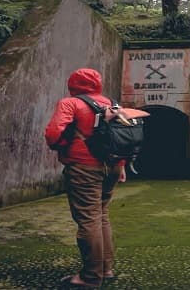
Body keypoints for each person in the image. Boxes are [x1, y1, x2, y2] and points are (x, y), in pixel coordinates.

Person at [45, 68, 126, 288]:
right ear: (98, 83)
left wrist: (62, 146)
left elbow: (53, 134)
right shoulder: (112, 103)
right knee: (102, 215)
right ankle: (106, 269)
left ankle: (90, 277)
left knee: (89, 219)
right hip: (113, 166)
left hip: (84, 167)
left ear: (73, 84)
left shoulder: (70, 103)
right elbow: (121, 137)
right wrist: (122, 165)